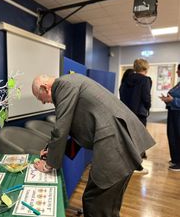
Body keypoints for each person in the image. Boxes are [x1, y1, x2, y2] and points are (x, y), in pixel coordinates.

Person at [32, 73, 155, 217]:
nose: (43, 103)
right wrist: (53, 152)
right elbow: (77, 131)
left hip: (116, 146)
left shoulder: (63, 86)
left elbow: (61, 128)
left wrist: (48, 165)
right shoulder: (72, 82)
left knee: (96, 204)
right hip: (122, 142)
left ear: (45, 88)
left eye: (41, 98)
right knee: (105, 205)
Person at [119, 59, 152, 161]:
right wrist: (148, 107)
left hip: (126, 112)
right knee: (139, 137)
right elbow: (146, 97)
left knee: (128, 135)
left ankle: (127, 159)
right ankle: (138, 161)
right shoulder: (146, 80)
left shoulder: (126, 79)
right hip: (140, 113)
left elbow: (122, 94)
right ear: (145, 68)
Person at [160, 64, 180, 171]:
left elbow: (175, 98)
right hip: (173, 112)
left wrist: (173, 100)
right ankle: (175, 159)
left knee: (178, 137)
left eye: (178, 70)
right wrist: (167, 99)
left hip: (178, 114)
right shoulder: (178, 84)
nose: (177, 72)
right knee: (172, 136)